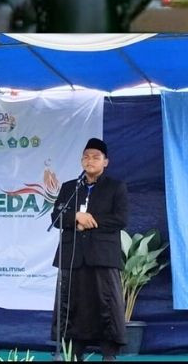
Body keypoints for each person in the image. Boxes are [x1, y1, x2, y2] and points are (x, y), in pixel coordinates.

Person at [46, 138, 128, 361]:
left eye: (95, 157)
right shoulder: (70, 187)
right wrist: (75, 217)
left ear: (105, 162)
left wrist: (90, 220)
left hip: (102, 256)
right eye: (86, 157)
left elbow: (120, 219)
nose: (90, 160)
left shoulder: (116, 187)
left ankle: (108, 354)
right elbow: (56, 217)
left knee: (106, 304)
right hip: (73, 255)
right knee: (73, 305)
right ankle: (73, 352)